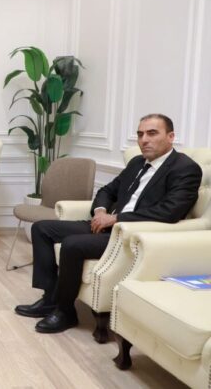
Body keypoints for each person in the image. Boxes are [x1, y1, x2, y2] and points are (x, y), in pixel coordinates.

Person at [15, 113, 202, 333]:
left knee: (73, 244)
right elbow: (107, 190)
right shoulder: (137, 163)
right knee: (42, 228)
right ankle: (49, 299)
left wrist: (116, 218)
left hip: (131, 235)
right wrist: (101, 211)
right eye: (140, 134)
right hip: (106, 226)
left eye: (152, 133)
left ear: (170, 136)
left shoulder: (185, 168)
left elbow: (170, 211)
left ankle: (65, 312)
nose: (144, 140)